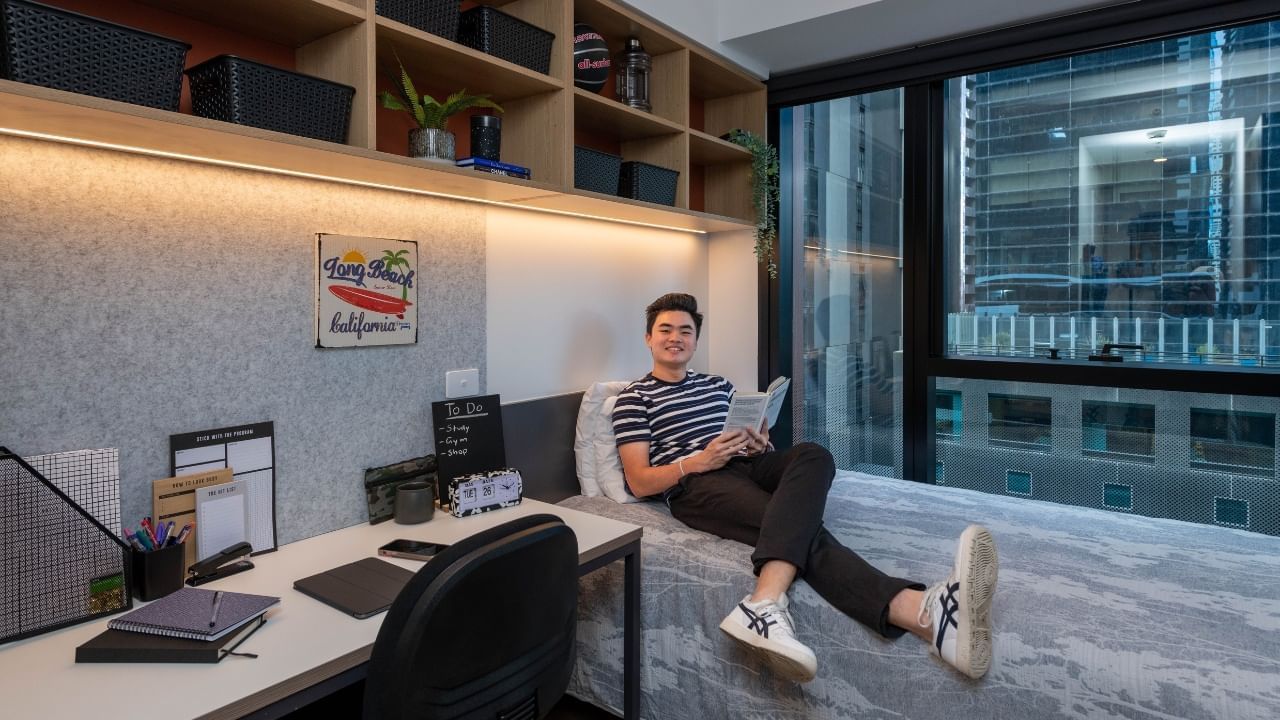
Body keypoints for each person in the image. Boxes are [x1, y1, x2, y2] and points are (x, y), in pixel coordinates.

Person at [612, 292, 999, 683]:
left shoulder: (719, 385)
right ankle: (922, 613)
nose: (675, 337)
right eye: (665, 330)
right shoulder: (634, 398)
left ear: (696, 340)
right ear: (649, 338)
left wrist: (760, 444)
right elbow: (639, 480)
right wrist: (699, 461)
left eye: (685, 330)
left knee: (814, 455)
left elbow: (750, 440)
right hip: (697, 482)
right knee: (793, 524)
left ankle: (764, 601)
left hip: (748, 462)